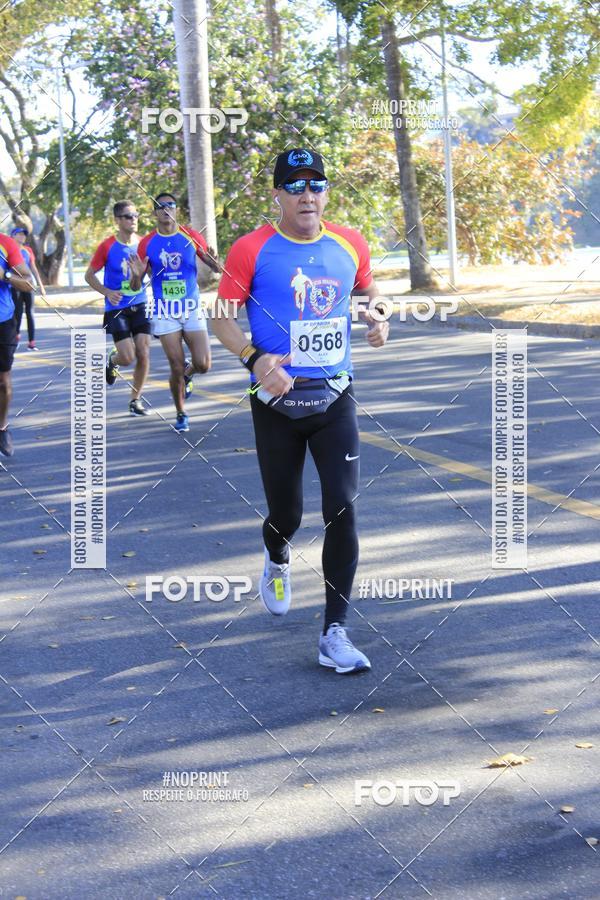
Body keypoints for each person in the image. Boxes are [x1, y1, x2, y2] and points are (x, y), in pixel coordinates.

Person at [212, 148, 389, 674]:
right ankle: (277, 553)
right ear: (278, 195)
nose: (306, 194)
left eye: (315, 184)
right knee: (286, 513)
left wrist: (378, 317)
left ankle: (335, 630)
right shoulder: (252, 250)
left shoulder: (348, 242)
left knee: (342, 504)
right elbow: (220, 318)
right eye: (294, 186)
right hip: (275, 401)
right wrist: (253, 357)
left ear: (325, 192)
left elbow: (369, 289)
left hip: (334, 394)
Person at [128, 192, 220, 433]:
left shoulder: (191, 236)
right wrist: (136, 275)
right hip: (164, 311)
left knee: (203, 363)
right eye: (161, 206)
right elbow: (136, 286)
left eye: (170, 205)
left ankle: (190, 375)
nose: (166, 209)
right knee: (176, 365)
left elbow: (216, 268)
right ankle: (181, 413)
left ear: (176, 209)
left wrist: (213, 262)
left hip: (190, 307)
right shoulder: (147, 243)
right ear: (155, 212)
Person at [84, 200, 151, 416]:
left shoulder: (143, 245)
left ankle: (135, 400)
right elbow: (89, 275)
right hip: (116, 308)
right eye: (128, 216)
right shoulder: (107, 246)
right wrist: (107, 292)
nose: (134, 220)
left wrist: (139, 277)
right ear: (117, 220)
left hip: (139, 304)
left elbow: (148, 279)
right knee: (127, 357)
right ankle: (113, 359)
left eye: (136, 215)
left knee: (143, 353)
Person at [0, 232, 36, 456]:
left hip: (2, 321)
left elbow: (28, 284)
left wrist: (4, 275)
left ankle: (2, 427)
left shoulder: (5, 243)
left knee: (3, 382)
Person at [10, 226, 44, 350]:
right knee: (17, 313)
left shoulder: (28, 250)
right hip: (16, 286)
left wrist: (40, 285)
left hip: (28, 286)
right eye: (19, 234)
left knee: (30, 313)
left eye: (24, 234)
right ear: (12, 236)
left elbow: (33, 268)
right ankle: (16, 337)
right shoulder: (9, 250)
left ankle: (31, 342)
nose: (22, 236)